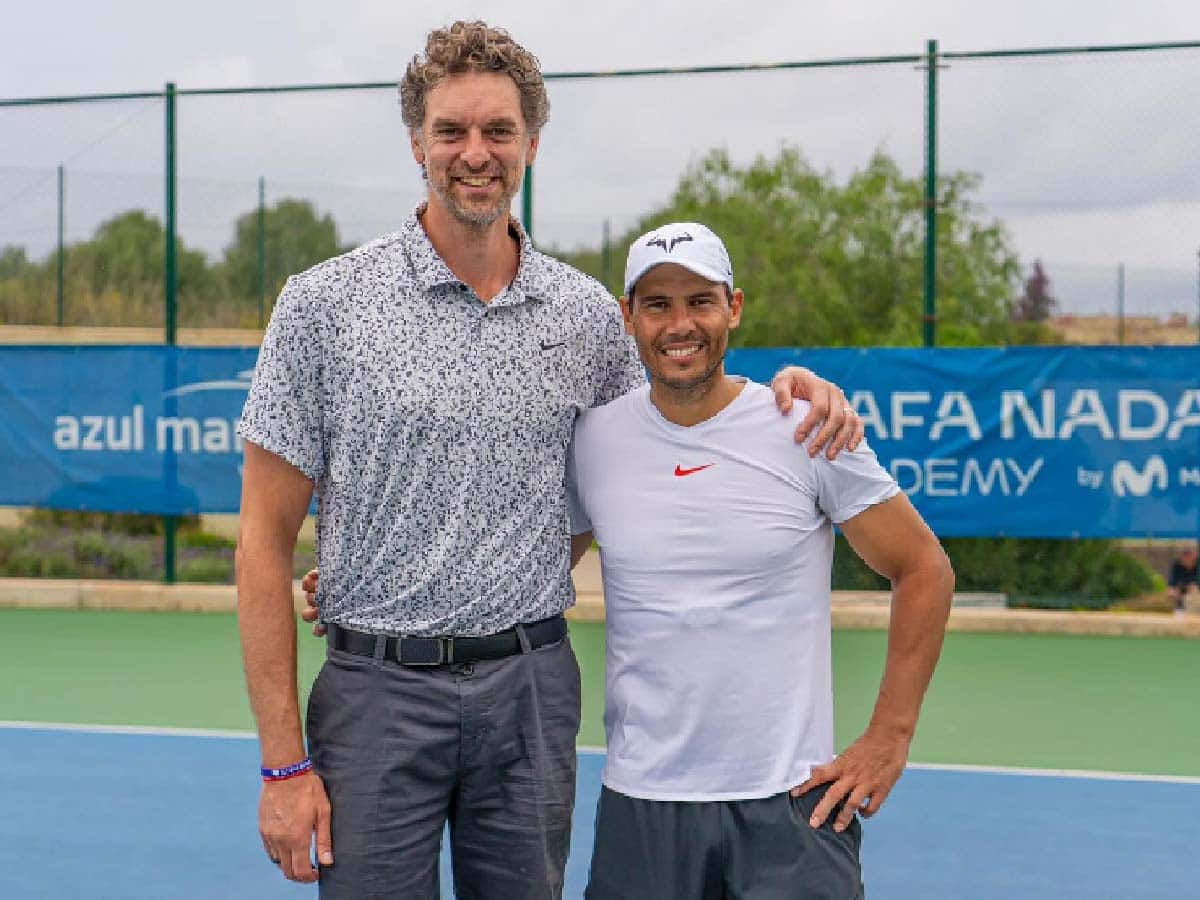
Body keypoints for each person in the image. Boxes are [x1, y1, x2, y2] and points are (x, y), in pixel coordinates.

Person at [236, 21, 862, 899]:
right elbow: (262, 541)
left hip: (529, 695)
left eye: (498, 131)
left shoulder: (587, 320)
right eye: (451, 131)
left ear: (532, 140)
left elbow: (679, 411)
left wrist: (798, 390)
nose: (475, 153)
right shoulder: (322, 305)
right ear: (417, 142)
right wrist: (280, 768)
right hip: (374, 697)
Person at [565, 222, 955, 898]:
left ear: (733, 308)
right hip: (643, 807)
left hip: (794, 806)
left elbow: (923, 568)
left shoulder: (805, 427)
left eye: (700, 301)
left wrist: (889, 735)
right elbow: (526, 570)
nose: (680, 323)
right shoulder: (593, 441)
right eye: (657, 304)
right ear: (628, 317)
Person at [1168, 546, 1198, 615]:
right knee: (1175, 593)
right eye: (1185, 555)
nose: (1187, 558)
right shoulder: (1177, 565)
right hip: (1182, 592)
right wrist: (1172, 590)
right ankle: (1179, 609)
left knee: (1194, 591)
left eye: (1189, 555)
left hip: (1194, 594)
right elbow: (1172, 581)